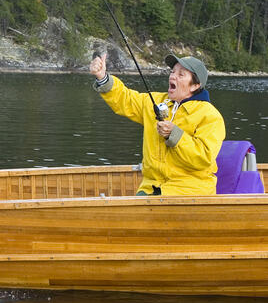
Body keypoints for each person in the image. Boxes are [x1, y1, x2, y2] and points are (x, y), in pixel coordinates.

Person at [89, 52, 225, 196]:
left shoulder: (210, 116)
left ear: (195, 85)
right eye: (172, 72)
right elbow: (125, 100)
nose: (172, 76)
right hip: (151, 188)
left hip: (191, 191)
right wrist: (102, 77)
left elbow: (203, 158)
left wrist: (175, 135)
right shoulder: (155, 101)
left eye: (181, 75)